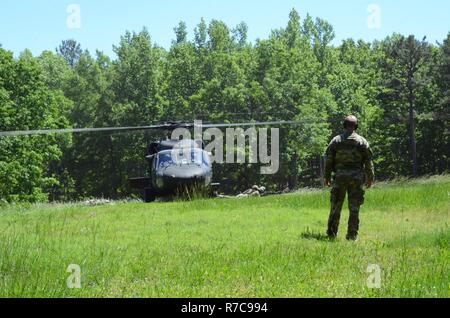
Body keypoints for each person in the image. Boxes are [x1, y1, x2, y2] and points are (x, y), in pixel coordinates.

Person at [324, 115, 374, 241]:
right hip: (356, 179)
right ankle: (352, 235)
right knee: (354, 208)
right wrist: (370, 177)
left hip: (340, 177)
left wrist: (327, 176)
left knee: (335, 206)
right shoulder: (362, 141)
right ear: (356, 126)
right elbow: (368, 161)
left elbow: (329, 161)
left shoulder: (336, 140)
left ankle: (331, 233)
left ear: (344, 125)